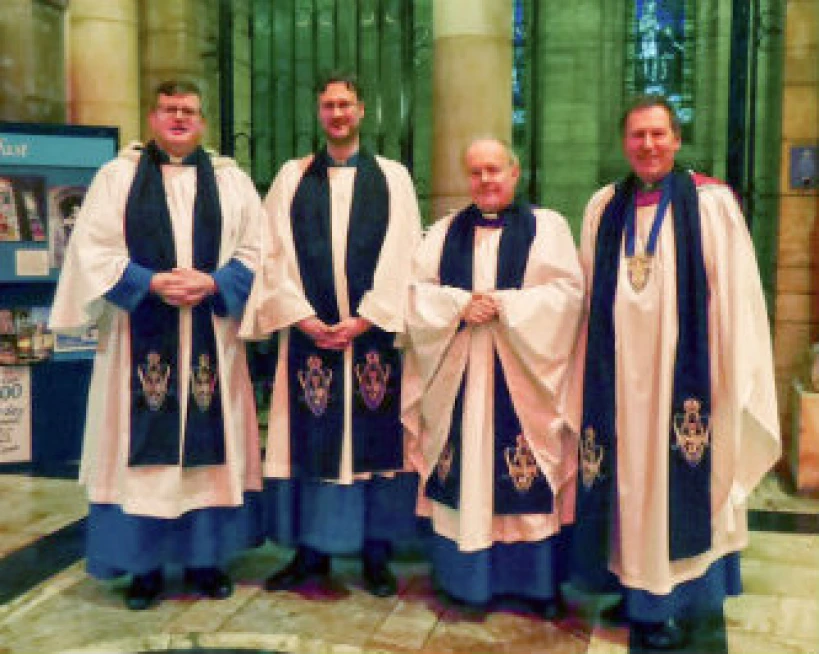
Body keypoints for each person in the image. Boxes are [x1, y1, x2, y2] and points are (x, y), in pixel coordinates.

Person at [572, 95, 781, 649]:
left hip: (686, 378)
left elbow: (735, 295)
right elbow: (588, 293)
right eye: (638, 135)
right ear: (625, 142)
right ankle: (636, 590)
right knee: (626, 488)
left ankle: (677, 600)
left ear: (677, 139)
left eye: (658, 135)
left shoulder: (711, 205)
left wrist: (726, 371)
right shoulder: (603, 207)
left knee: (678, 483)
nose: (648, 145)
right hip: (616, 382)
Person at [49, 80, 264, 610]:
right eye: (169, 110)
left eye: (188, 111)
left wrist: (214, 283)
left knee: (208, 453)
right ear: (152, 118)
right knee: (139, 454)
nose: (178, 118)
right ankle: (142, 568)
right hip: (136, 338)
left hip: (211, 336)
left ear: (203, 122)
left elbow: (261, 250)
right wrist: (149, 282)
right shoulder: (117, 178)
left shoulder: (232, 183)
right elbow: (92, 250)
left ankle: (206, 562)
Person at [240, 71, 423, 597]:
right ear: (319, 114)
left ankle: (375, 554)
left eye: (345, 104)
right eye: (328, 106)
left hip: (372, 337)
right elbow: (272, 252)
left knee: (374, 446)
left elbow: (404, 251)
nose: (337, 114)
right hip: (308, 339)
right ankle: (309, 554)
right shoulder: (291, 178)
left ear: (362, 111)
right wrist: (303, 318)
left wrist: (366, 318)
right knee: (310, 443)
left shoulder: (393, 177)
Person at [401, 137, 584, 617]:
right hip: (459, 375)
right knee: (466, 473)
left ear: (515, 171)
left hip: (524, 379)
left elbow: (568, 295)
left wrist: (506, 304)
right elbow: (415, 296)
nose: (486, 180)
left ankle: (537, 585)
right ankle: (466, 583)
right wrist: (460, 304)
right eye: (476, 171)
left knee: (526, 473)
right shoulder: (442, 233)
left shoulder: (549, 228)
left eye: (494, 170)